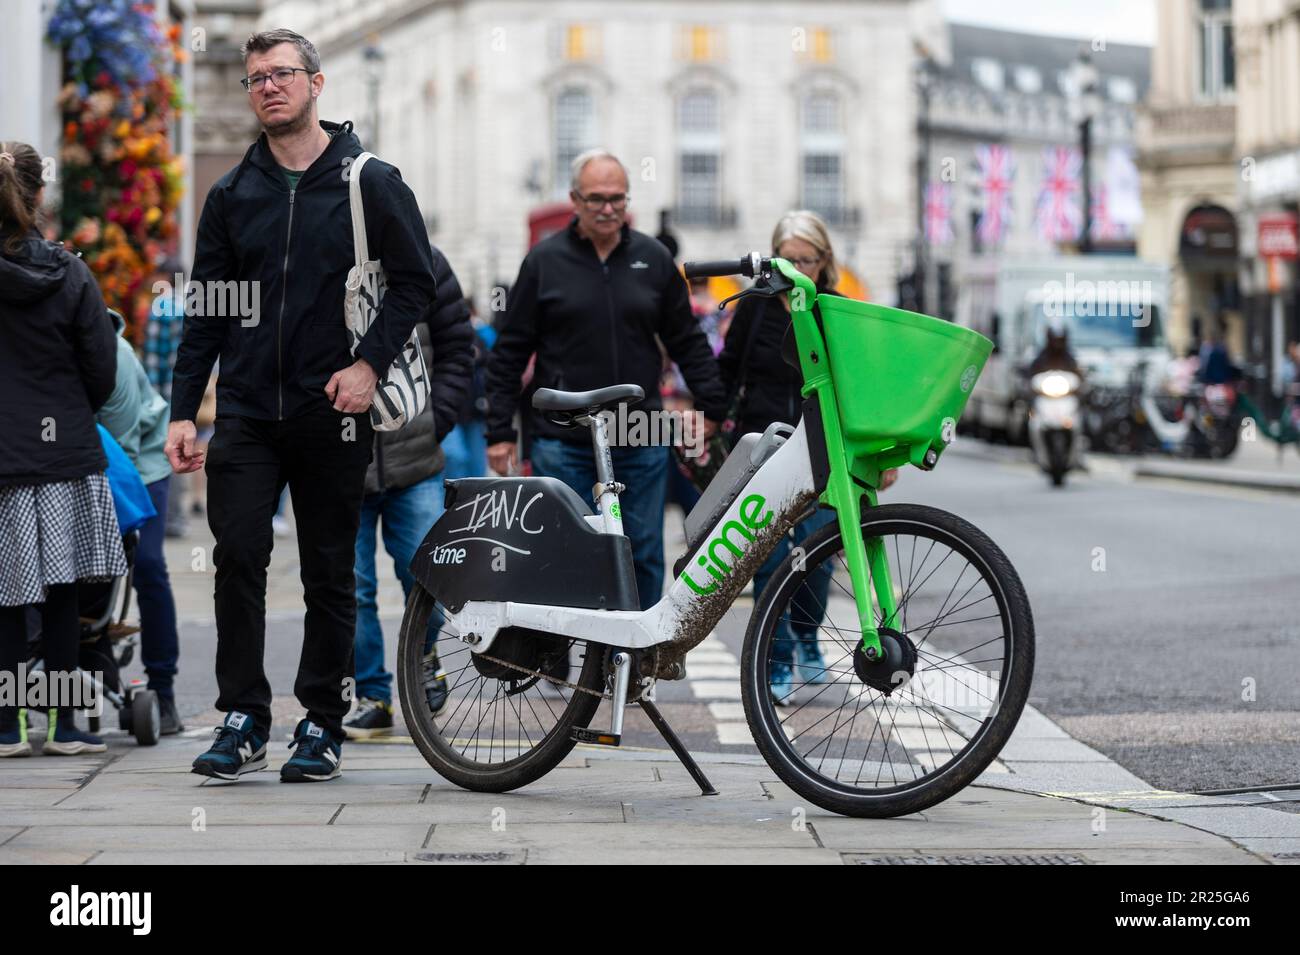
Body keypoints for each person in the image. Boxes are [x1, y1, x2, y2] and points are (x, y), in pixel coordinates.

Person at [165, 29, 438, 782]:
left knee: (328, 569)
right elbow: (207, 310)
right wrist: (185, 410)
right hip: (249, 412)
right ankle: (245, 715)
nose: (268, 87)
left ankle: (320, 721)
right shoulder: (231, 194)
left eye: (282, 74)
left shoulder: (370, 180)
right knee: (239, 556)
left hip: (333, 409)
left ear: (317, 84)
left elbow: (417, 284)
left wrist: (367, 364)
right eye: (256, 79)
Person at [485, 149, 727, 609]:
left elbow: (687, 342)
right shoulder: (543, 263)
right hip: (563, 436)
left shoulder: (654, 261)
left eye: (617, 198)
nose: (608, 208)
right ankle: (562, 655)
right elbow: (510, 352)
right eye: (596, 199)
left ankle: (635, 661)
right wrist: (499, 432)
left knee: (644, 551)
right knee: (564, 550)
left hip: (641, 432)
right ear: (575, 199)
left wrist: (712, 407)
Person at [718, 210, 896, 704]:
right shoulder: (753, 309)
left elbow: (863, 388)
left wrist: (882, 455)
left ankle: (808, 638)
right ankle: (775, 660)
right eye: (786, 259)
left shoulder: (837, 310)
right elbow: (728, 371)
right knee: (768, 557)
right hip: (763, 449)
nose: (796, 268)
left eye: (806, 259)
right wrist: (705, 418)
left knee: (816, 557)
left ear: (824, 263)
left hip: (823, 450)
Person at [0, 141, 126, 757]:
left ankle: (4, 727)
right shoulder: (70, 272)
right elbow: (102, 371)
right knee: (63, 591)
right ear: (40, 197)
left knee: (3, 592)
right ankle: (66, 726)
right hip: (64, 454)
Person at [344, 246, 474, 739]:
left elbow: (457, 347)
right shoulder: (322, 252)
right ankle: (373, 696)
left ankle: (423, 659)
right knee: (351, 589)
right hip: (341, 464)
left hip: (415, 458)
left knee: (428, 579)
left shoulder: (425, 260)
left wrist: (434, 421)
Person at [96, 308, 184, 735]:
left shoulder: (116, 357)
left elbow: (123, 458)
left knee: (146, 563)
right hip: (78, 461)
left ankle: (163, 689)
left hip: (141, 465)